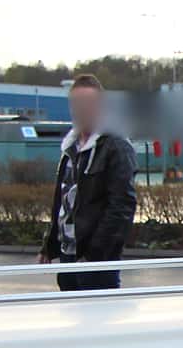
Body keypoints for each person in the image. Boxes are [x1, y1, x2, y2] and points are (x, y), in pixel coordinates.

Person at [38, 73, 137, 290]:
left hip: (96, 263)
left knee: (100, 320)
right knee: (70, 318)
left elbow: (122, 207)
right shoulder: (70, 149)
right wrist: (50, 244)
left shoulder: (116, 147)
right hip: (68, 257)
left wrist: (95, 255)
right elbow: (64, 201)